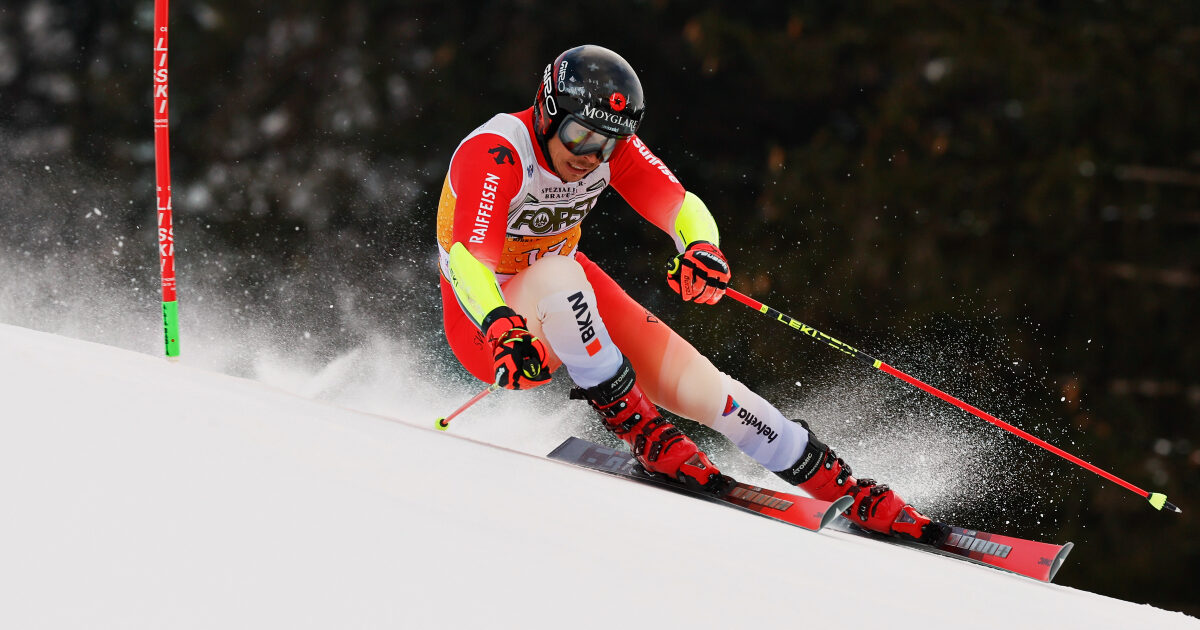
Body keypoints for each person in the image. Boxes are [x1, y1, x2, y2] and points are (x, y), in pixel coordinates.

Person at [435, 44, 944, 543]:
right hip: (490, 324)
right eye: (580, 135)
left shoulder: (612, 150)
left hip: (566, 295)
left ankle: (838, 483)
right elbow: (468, 260)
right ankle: (643, 432)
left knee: (703, 385)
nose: (591, 156)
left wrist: (702, 248)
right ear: (549, 113)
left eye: (607, 144)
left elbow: (679, 204)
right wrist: (500, 322)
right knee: (558, 273)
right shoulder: (499, 152)